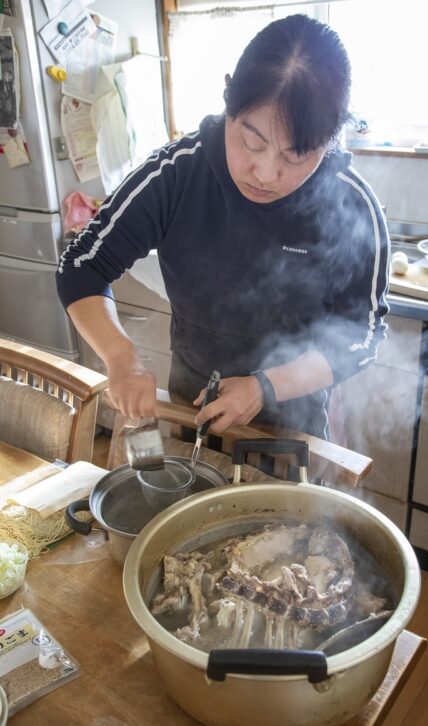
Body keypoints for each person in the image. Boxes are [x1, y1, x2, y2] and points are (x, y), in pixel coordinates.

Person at [56, 14, 389, 441]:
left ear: (329, 143)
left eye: (296, 158)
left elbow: (362, 335)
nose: (266, 174)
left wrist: (263, 387)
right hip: (189, 412)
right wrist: (122, 360)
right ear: (230, 100)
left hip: (290, 431)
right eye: (252, 143)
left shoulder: (351, 204)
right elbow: (82, 266)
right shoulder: (177, 175)